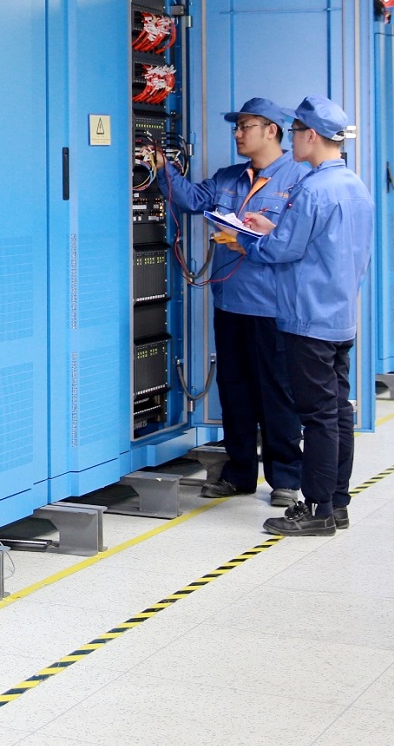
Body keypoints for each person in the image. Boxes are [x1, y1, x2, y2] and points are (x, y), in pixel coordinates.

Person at [139, 97, 309, 506]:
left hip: (273, 307)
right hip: (231, 303)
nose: (237, 134)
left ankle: (286, 479)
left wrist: (251, 237)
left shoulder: (300, 180)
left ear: (271, 130)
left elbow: (298, 241)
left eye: (245, 126)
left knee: (276, 393)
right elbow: (190, 200)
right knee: (235, 391)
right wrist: (163, 168)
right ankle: (239, 473)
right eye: (236, 127)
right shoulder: (229, 178)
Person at [237, 96, 374, 537]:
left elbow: (282, 251)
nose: (291, 140)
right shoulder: (354, 185)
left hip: (308, 318)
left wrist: (249, 239)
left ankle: (316, 511)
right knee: (337, 411)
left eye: (294, 132)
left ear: (310, 135)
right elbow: (330, 245)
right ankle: (337, 503)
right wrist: (274, 231)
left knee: (316, 416)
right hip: (339, 315)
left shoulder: (312, 189)